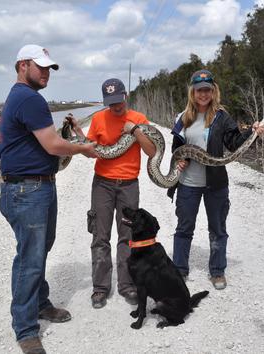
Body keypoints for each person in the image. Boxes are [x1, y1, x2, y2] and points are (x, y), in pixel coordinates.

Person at [0, 44, 98, 354]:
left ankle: (40, 304)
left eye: (49, 68)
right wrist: (84, 148)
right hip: (28, 192)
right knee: (30, 259)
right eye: (40, 66)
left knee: (37, 252)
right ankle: (25, 329)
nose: (46, 73)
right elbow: (54, 145)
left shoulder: (22, 97)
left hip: (34, 188)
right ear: (22, 65)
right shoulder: (29, 98)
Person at [168, 69, 264, 290]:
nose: (203, 94)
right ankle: (180, 269)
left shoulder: (222, 116)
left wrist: (252, 132)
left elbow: (233, 143)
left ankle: (217, 271)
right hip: (188, 184)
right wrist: (179, 162)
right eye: (199, 90)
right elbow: (177, 149)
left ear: (213, 91)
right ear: (192, 92)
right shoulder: (182, 117)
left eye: (207, 90)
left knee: (218, 228)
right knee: (184, 228)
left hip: (215, 185)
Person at [86, 78, 156, 309]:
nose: (116, 107)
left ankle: (127, 285)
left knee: (127, 236)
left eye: (118, 101)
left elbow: (151, 151)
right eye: (111, 103)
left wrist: (135, 131)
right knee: (100, 236)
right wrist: (78, 135)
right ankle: (100, 288)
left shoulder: (138, 119)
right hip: (102, 184)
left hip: (129, 185)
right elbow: (89, 150)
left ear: (125, 96)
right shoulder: (98, 119)